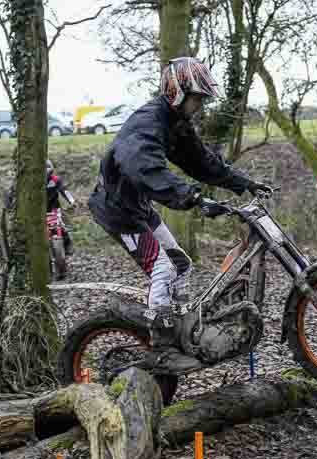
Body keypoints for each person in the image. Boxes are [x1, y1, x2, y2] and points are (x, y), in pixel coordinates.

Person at [87, 56, 271, 358]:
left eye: (202, 99)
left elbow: (202, 162)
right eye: (196, 99)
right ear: (177, 92)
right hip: (118, 212)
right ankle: (160, 339)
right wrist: (194, 198)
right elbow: (146, 169)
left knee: (181, 265)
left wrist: (243, 183)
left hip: (138, 207)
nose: (199, 106)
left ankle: (182, 325)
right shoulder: (147, 124)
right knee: (162, 267)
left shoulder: (176, 123)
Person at [45, 159, 76, 256]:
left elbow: (64, 191)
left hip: (54, 208)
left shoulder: (55, 180)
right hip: (38, 211)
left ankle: (67, 245)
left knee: (61, 226)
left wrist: (72, 201)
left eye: (47, 168)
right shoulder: (33, 183)